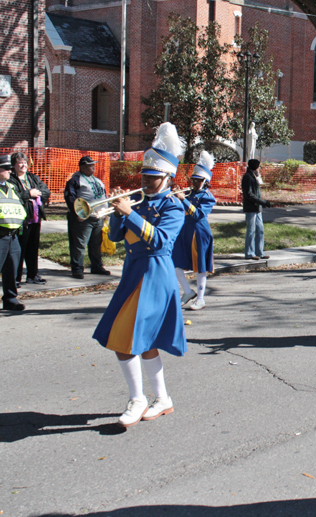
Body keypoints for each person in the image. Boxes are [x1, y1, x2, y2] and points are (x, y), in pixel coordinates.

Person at [93, 122, 187, 428]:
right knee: (143, 342)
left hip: (156, 277)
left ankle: (138, 399)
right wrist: (117, 211)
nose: (145, 181)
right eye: (144, 176)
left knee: (126, 339)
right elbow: (116, 237)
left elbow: (160, 242)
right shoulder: (139, 203)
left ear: (167, 178)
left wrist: (130, 213)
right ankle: (162, 398)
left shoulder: (173, 208)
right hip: (134, 274)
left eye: (152, 177)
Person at [173, 151, 217, 311]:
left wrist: (183, 199)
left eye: (198, 180)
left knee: (200, 266)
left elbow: (198, 215)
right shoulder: (188, 193)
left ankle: (200, 299)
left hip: (199, 232)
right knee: (175, 263)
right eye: (193, 180)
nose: (195, 183)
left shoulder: (208, 197)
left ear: (205, 182)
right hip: (184, 231)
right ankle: (187, 292)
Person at [64, 156, 111, 279]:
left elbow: (103, 196)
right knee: (79, 244)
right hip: (83, 218)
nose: (93, 167)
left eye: (93, 165)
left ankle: (97, 266)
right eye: (90, 165)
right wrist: (78, 213)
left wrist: (106, 212)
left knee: (96, 244)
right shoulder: (75, 180)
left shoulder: (97, 180)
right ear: (83, 167)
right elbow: (70, 198)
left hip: (98, 216)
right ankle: (77, 268)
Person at [9, 152, 50, 285]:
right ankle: (16, 278)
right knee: (19, 249)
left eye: (25, 162)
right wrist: (28, 193)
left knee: (33, 248)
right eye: (20, 163)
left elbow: (46, 191)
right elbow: (15, 195)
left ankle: (32, 275)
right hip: (22, 220)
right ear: (14, 165)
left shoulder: (33, 178)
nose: (23, 165)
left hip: (35, 219)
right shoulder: (11, 179)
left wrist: (37, 193)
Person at [0, 155, 26, 311]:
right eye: (6, 168)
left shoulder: (11, 187)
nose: (10, 171)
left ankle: (10, 299)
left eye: (10, 168)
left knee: (12, 268)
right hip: (0, 234)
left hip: (13, 235)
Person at [241, 158, 269, 260]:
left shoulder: (254, 176)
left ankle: (259, 252)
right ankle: (249, 253)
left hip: (257, 208)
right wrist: (262, 202)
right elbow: (249, 194)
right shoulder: (247, 177)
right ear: (255, 167)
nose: (259, 168)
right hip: (251, 208)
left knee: (260, 230)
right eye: (259, 166)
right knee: (251, 230)